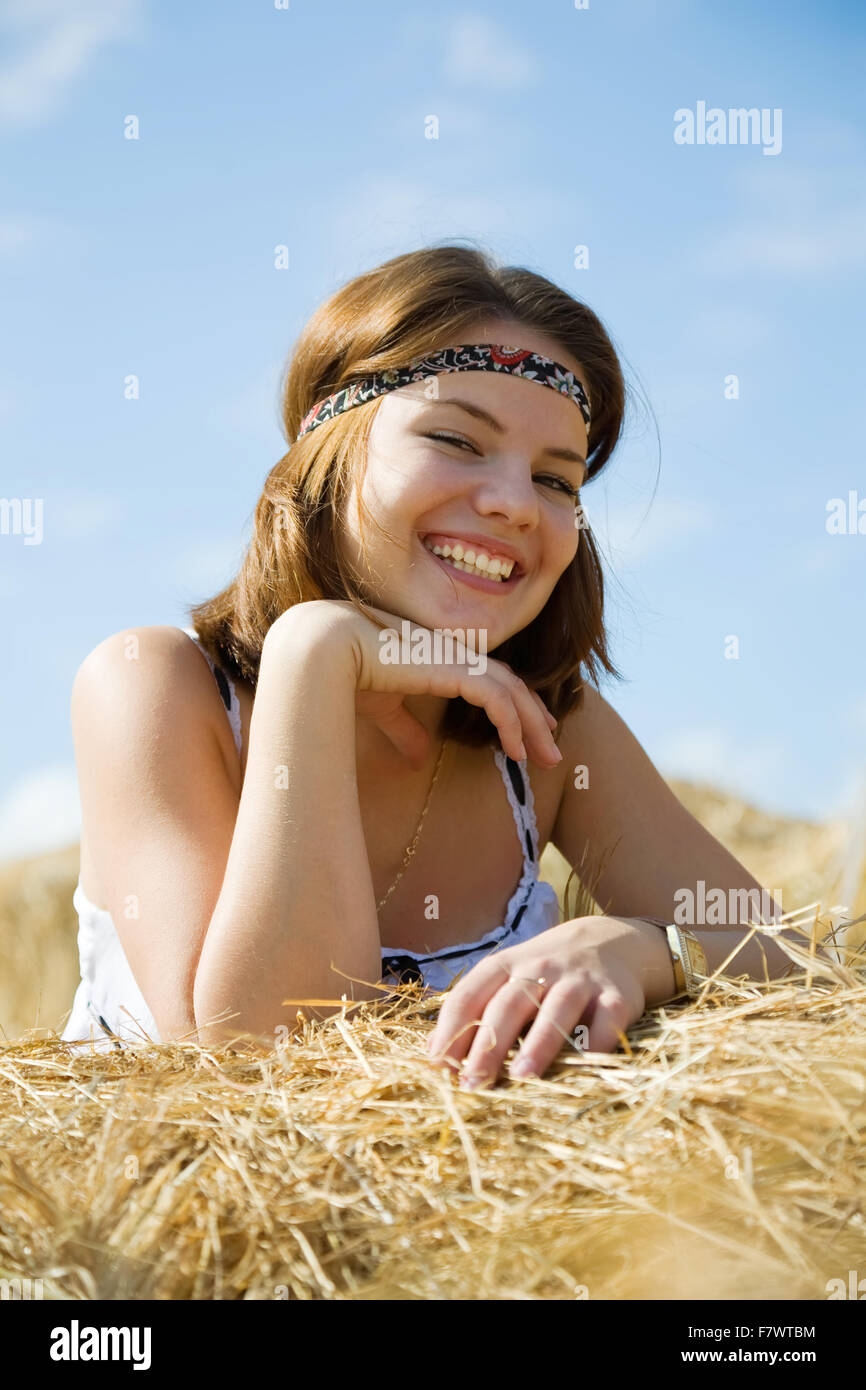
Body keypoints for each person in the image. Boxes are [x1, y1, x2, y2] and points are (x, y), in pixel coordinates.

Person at [61, 243, 802, 1086]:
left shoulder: (548, 729)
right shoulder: (153, 687)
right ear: (325, 457)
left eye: (558, 482)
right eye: (457, 439)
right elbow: (259, 1061)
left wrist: (642, 947)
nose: (515, 504)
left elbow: (797, 967)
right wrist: (315, 655)